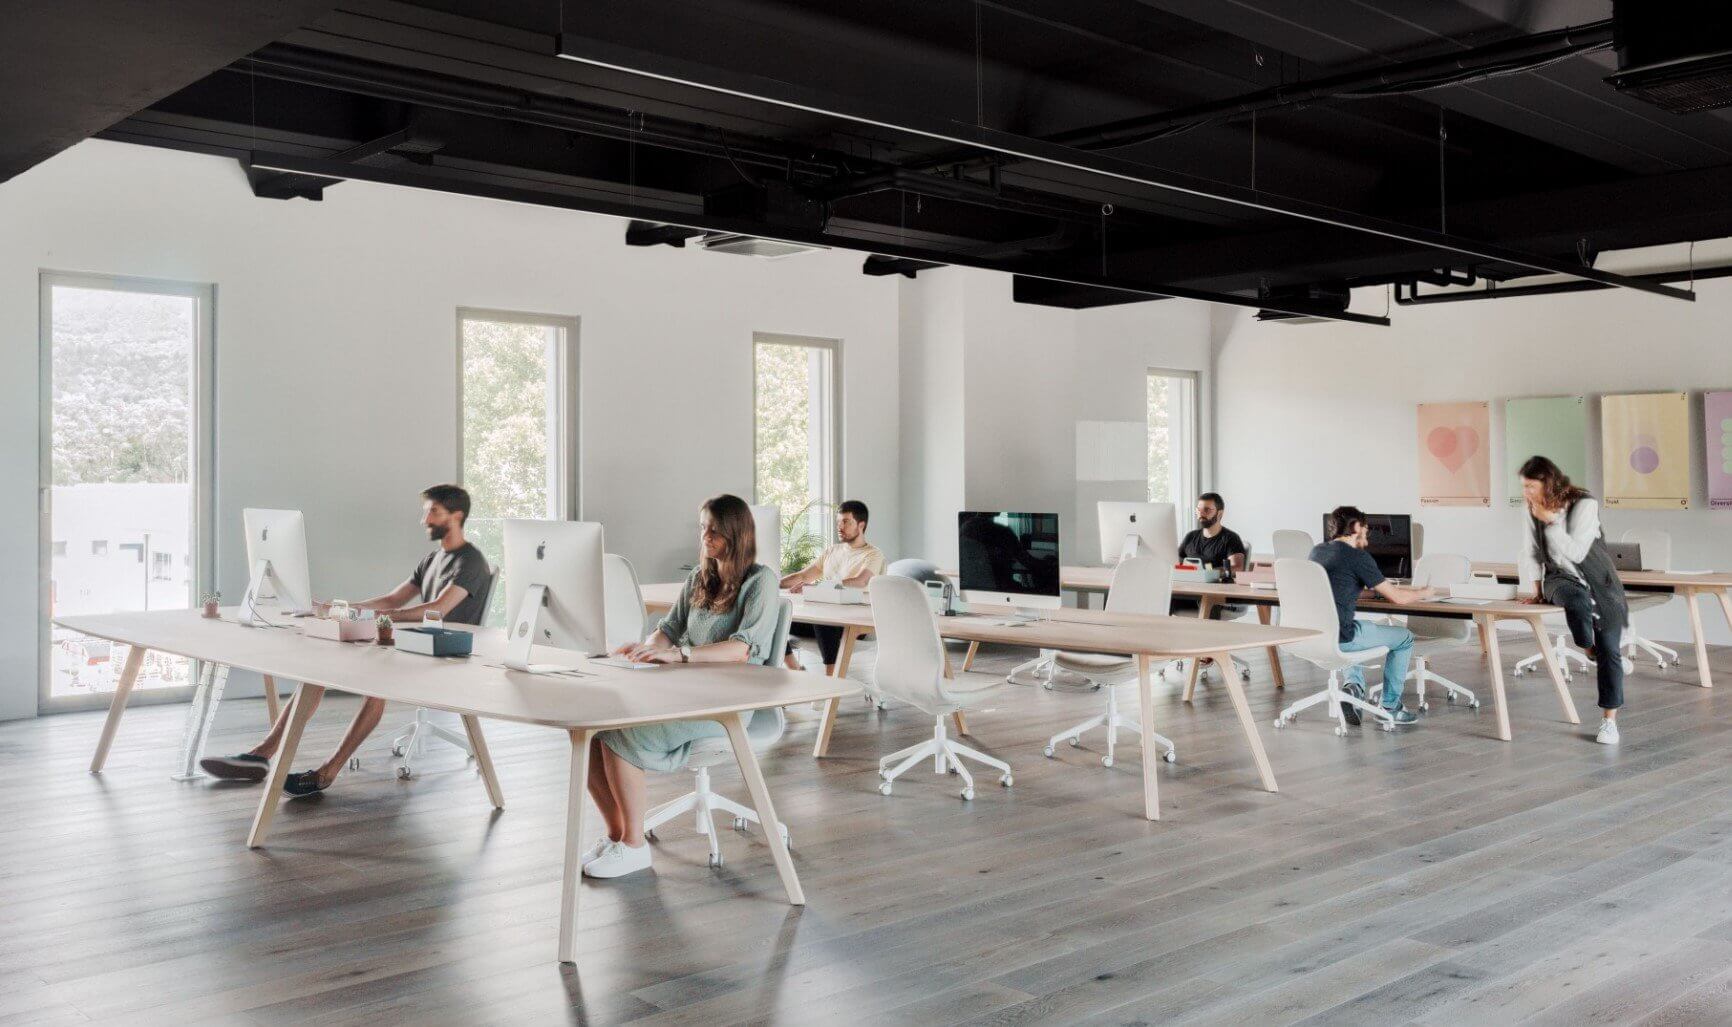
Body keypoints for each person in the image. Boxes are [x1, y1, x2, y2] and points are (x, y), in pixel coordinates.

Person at [198, 484, 492, 794]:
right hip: (416, 644)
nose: (424, 520)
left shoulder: (470, 562)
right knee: (318, 673)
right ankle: (260, 755)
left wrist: (380, 618)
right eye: (426, 512)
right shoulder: (432, 560)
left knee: (374, 684)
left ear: (457, 516)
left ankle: (327, 772)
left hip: (446, 656)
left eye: (433, 512)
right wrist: (340, 609)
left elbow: (437, 609)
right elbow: (393, 598)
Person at [583, 494, 782, 879]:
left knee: (622, 736)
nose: (705, 537)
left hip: (730, 702)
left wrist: (681, 656)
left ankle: (635, 848)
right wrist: (647, 650)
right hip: (688, 691)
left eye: (715, 532)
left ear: (736, 536)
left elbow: (741, 650)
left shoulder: (761, 582)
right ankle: (617, 836)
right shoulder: (699, 577)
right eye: (703, 528)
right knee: (593, 734)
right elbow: (669, 630)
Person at [1517, 455, 1629, 745]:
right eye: (1524, 486)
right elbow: (1531, 551)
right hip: (1560, 579)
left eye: (1530, 486)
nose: (1526, 493)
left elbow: (1578, 552)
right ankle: (1589, 648)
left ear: (1548, 482)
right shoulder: (1530, 510)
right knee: (1577, 602)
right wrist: (1538, 591)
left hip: (1599, 578)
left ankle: (1609, 722)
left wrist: (1551, 520)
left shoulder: (1585, 504)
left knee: (1611, 649)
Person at [1310, 505, 1439, 726]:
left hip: (1314, 636)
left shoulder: (1317, 551)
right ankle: (1390, 707)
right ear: (1357, 527)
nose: (1368, 539)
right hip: (1342, 638)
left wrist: (1373, 589)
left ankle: (1355, 688)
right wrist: (1424, 592)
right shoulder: (1358, 557)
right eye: (1366, 531)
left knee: (1359, 625)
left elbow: (1339, 584)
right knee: (1404, 637)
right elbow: (1397, 598)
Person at [779, 500, 885, 675]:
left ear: (861, 525)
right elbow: (804, 576)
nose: (840, 526)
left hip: (856, 621)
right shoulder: (832, 551)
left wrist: (819, 587)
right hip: (824, 619)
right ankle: (796, 669)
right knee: (776, 615)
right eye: (838, 522)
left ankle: (832, 680)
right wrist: (773, 582)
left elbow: (861, 581)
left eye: (845, 522)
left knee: (823, 616)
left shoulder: (873, 554)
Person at [1171, 492, 1249, 620]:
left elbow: (1237, 567)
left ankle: (1207, 639)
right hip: (1190, 591)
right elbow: (1174, 561)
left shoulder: (1230, 538)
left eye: (1207, 510)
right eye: (1199, 510)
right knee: (1162, 599)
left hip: (1215, 596)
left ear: (1219, 513)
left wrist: (1208, 572)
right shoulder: (1191, 537)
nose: (1201, 514)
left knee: (1208, 603)